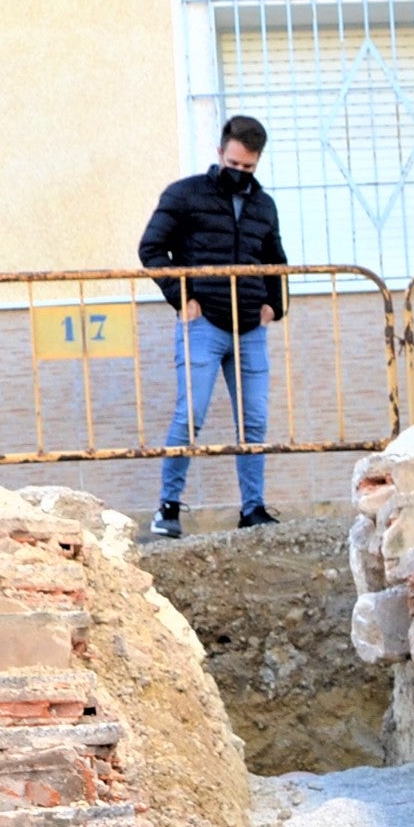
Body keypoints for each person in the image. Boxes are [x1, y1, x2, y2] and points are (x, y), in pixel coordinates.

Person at [139, 115, 288, 535]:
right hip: (203, 325)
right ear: (220, 152)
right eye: (234, 164)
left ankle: (253, 509)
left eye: (249, 168)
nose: (240, 174)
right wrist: (180, 299)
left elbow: (277, 261)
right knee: (190, 415)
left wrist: (274, 306)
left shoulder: (264, 206)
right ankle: (168, 509)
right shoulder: (185, 195)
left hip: (250, 329)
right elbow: (151, 248)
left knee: (255, 421)